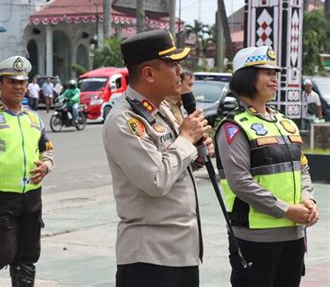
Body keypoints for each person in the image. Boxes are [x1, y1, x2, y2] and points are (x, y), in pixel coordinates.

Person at [103, 29, 213, 287]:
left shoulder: (161, 109)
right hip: (150, 259)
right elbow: (155, 179)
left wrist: (196, 154)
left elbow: (173, 164)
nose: (180, 72)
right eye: (173, 65)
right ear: (149, 74)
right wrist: (186, 140)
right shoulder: (125, 120)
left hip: (181, 251)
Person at [214, 46, 319, 287]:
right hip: (256, 238)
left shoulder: (284, 123)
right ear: (245, 77)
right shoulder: (234, 127)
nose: (274, 77)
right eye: (265, 72)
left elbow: (301, 168)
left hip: (293, 234)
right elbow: (240, 182)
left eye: (275, 72)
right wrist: (285, 209)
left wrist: (308, 200)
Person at [0, 56, 54, 286]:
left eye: (22, 82)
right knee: (1, 252)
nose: (18, 87)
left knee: (28, 255)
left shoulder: (34, 118)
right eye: (12, 82)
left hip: (32, 198)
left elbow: (46, 149)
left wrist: (47, 165)